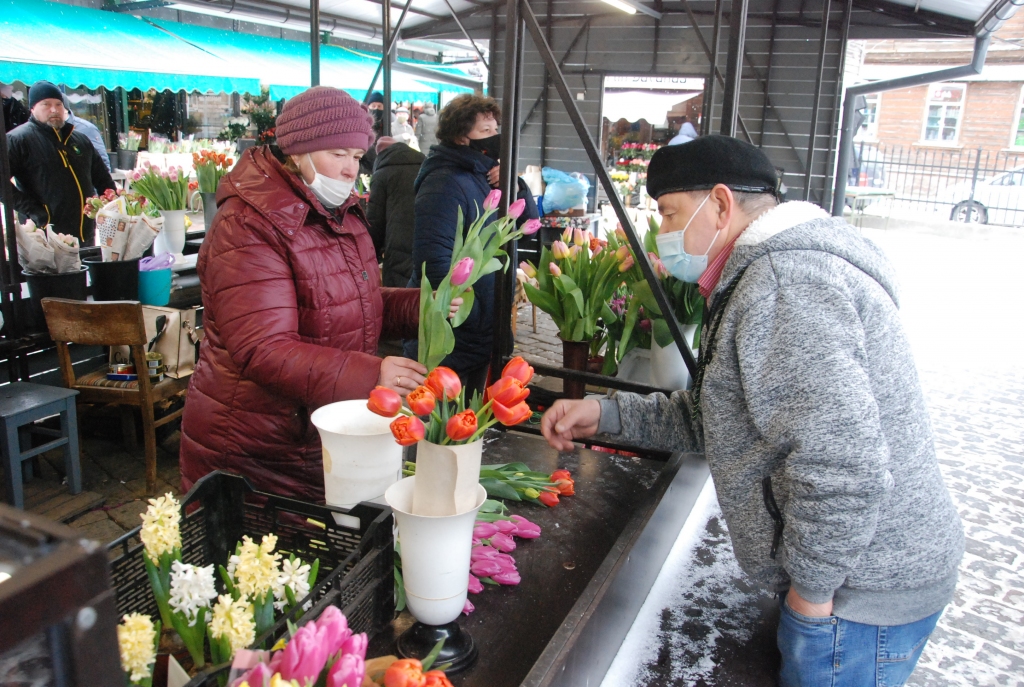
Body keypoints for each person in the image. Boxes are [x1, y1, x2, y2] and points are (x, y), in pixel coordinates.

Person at [541, 136, 964, 687]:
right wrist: (607, 414)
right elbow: (721, 412)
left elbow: (840, 464)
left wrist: (810, 596)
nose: (664, 233)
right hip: (851, 578)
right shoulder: (766, 274)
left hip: (857, 597)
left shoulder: (785, 286)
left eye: (669, 213)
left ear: (719, 204)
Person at [179, 86, 449, 502]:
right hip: (257, 443)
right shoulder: (248, 225)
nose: (348, 169)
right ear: (297, 151)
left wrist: (427, 306)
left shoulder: (338, 213)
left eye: (357, 157)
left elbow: (358, 304)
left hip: (318, 427)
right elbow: (263, 348)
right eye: (337, 154)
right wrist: (371, 374)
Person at [407, 94, 537, 394]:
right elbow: (433, 261)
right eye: (486, 131)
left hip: (484, 330)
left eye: (496, 129)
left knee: (470, 422)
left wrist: (515, 186)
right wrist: (474, 316)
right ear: (461, 137)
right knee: (444, 425)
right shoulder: (444, 181)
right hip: (455, 335)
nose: (495, 138)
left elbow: (527, 228)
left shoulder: (488, 175)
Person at [7, 80, 115, 243]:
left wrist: (113, 209)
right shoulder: (18, 140)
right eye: (46, 104)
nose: (54, 109)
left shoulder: (80, 140)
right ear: (32, 108)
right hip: (44, 235)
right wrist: (32, 209)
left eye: (59, 104)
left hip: (84, 234)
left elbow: (102, 179)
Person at [367, 136, 424, 287]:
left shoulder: (382, 174)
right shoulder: (424, 166)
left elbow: (375, 221)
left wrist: (372, 256)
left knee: (400, 304)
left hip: (397, 253)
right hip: (424, 246)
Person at [63, 96, 110, 171]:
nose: (52, 110)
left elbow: (102, 163)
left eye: (57, 105)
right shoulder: (45, 131)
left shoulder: (86, 128)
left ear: (65, 109)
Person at [360, 91, 386, 176]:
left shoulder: (386, 126)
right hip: (365, 173)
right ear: (368, 107)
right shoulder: (362, 126)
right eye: (373, 106)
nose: (376, 109)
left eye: (379, 106)